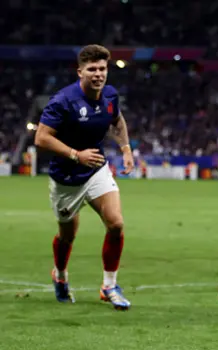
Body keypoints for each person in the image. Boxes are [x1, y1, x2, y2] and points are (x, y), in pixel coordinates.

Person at [35, 44, 134, 310]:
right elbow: (41, 137)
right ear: (80, 72)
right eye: (92, 69)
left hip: (96, 170)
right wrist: (75, 154)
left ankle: (109, 285)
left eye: (102, 69)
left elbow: (118, 121)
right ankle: (60, 274)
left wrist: (126, 149)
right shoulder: (63, 101)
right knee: (67, 235)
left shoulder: (110, 96)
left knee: (116, 224)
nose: (98, 74)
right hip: (66, 178)